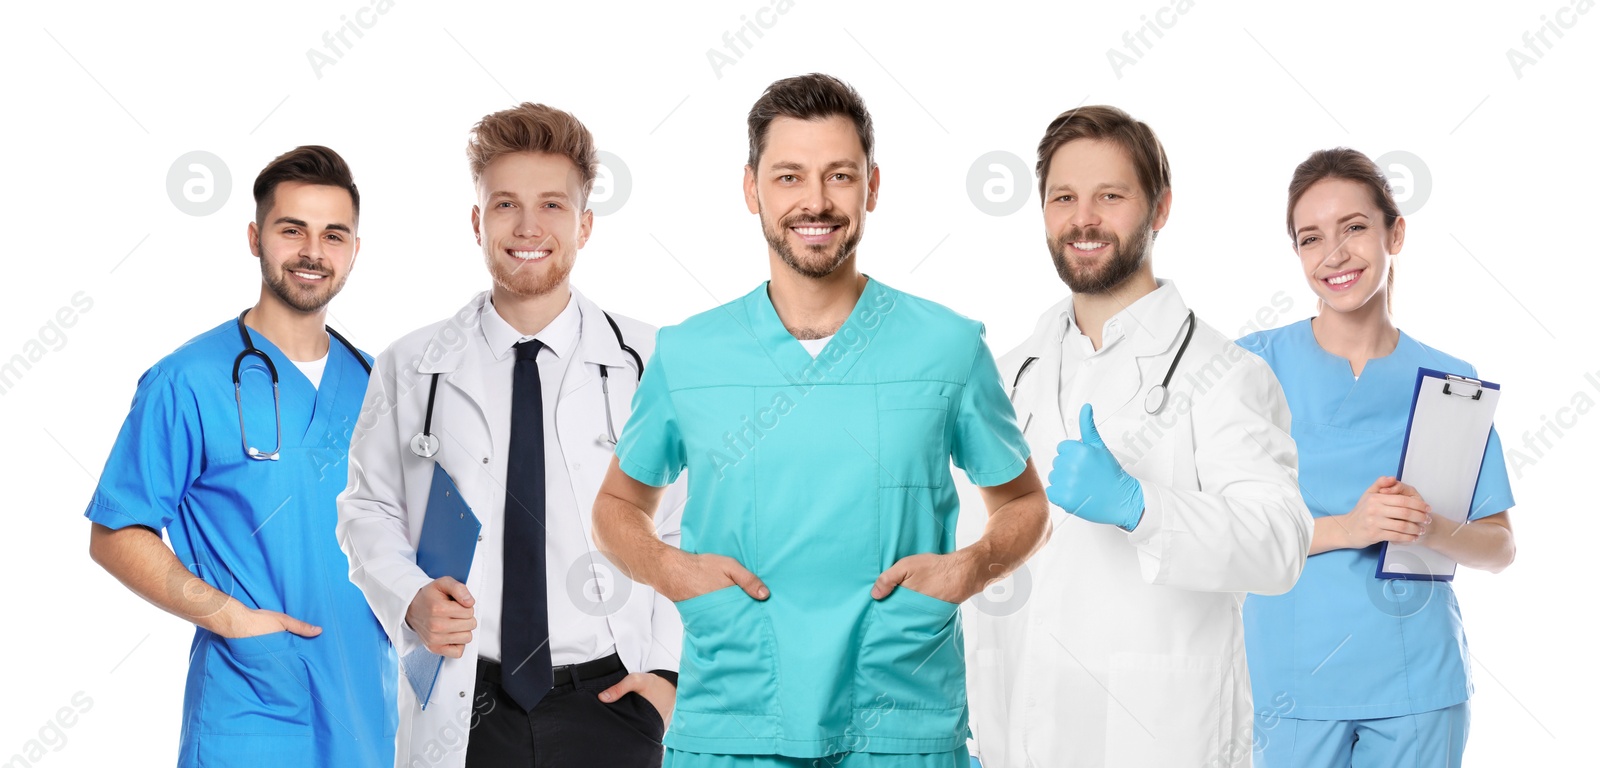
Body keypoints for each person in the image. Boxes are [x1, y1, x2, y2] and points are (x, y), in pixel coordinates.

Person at [591, 73, 1050, 768]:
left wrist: (972, 566)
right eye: (788, 177)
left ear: (872, 185)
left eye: (839, 175)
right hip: (735, 724)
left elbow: (1022, 502)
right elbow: (618, 504)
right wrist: (668, 567)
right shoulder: (688, 354)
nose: (815, 201)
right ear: (751, 189)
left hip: (899, 720)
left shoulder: (947, 347)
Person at [337, 102, 685, 768]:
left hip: (611, 701)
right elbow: (366, 510)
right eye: (505, 205)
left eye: (552, 205)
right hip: (466, 702)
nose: (529, 227)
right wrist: (410, 598)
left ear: (584, 224)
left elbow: (686, 529)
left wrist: (665, 679)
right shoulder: (412, 367)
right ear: (477, 221)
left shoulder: (650, 365)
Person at [964, 106, 1314, 767]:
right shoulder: (1006, 377)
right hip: (1014, 738)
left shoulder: (1224, 376)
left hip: (1157, 740)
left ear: (1159, 209)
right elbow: (969, 560)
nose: (1084, 218)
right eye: (1063, 197)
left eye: (1110, 196)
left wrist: (1140, 506)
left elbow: (1281, 543)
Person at [85, 146, 394, 766]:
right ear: (256, 238)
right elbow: (116, 532)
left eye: (333, 234)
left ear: (355, 249)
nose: (313, 251)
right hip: (251, 704)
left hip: (372, 706)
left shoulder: (380, 387)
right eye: (292, 230)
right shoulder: (188, 380)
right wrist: (228, 617)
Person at [1237, 147, 1517, 768]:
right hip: (1289, 684)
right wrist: (1352, 528)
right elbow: (1224, 528)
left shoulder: (1451, 381)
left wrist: (1432, 528)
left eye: (1355, 228)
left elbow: (1500, 547)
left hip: (1417, 683)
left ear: (1396, 233)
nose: (1333, 254)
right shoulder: (1251, 366)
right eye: (1311, 238)